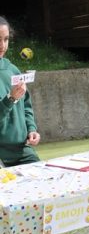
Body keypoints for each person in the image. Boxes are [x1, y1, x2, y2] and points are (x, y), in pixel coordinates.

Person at [0, 16, 40, 167]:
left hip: (23, 150)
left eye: (6, 39)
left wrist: (31, 129)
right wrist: (10, 99)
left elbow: (26, 106)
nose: (2, 45)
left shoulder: (13, 70)